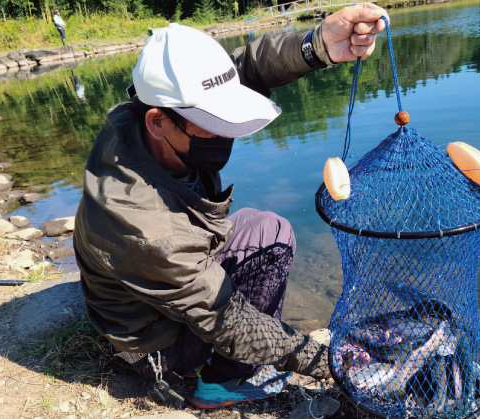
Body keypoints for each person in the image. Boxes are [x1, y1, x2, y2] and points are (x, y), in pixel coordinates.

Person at [73, 2, 388, 409]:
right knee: (254, 280)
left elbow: (249, 66)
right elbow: (232, 322)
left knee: (267, 227)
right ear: (157, 121)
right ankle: (218, 382)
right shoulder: (148, 228)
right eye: (214, 121)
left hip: (159, 277)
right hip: (155, 343)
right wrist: (326, 359)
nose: (228, 132)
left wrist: (319, 46)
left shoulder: (145, 116)